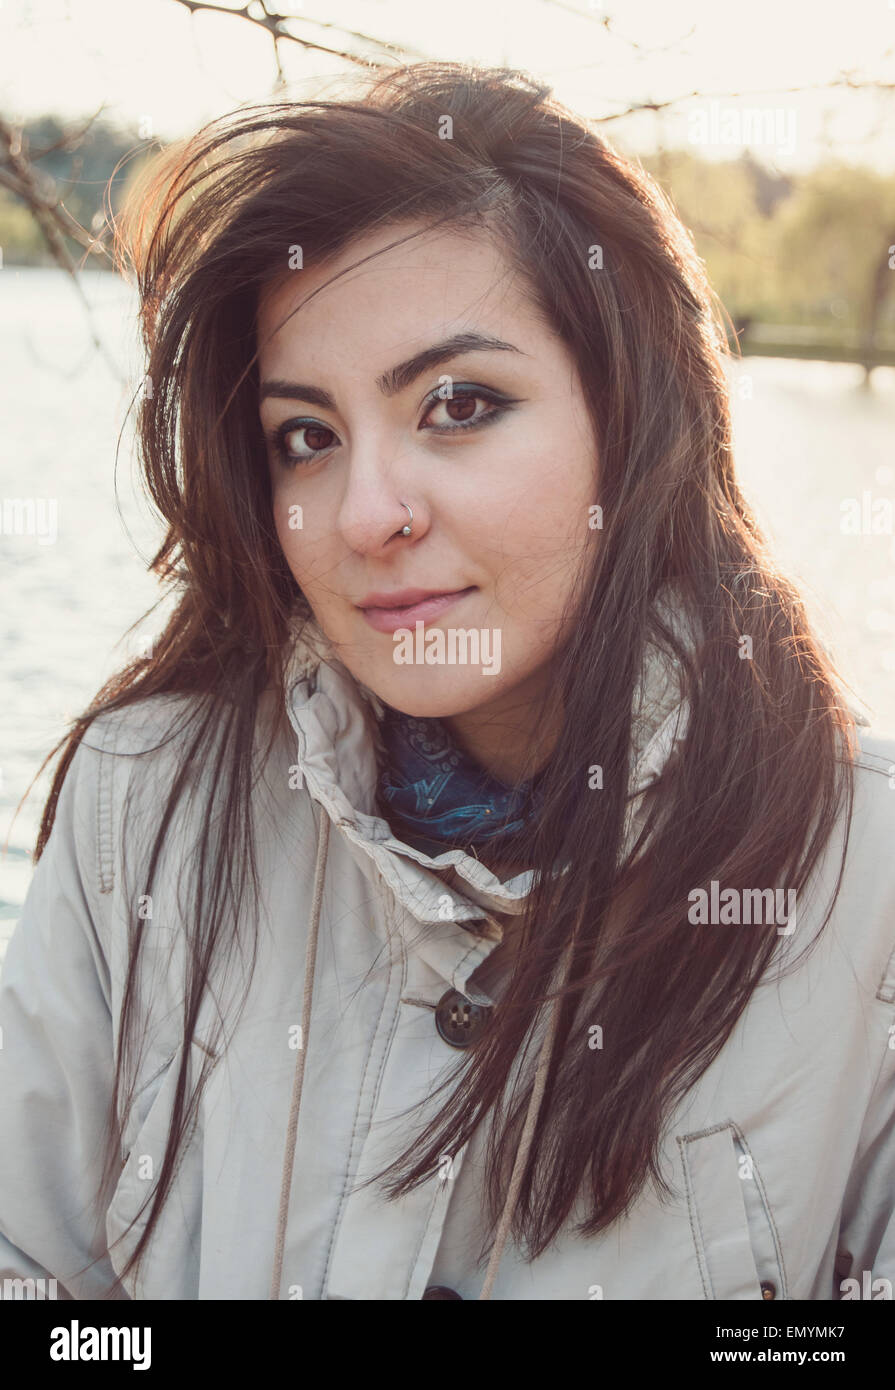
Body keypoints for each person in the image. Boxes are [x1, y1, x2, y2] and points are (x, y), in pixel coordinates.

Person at [1, 61, 894, 1302]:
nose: (365, 512)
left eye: (459, 403)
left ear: (629, 419)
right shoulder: (141, 805)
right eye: (304, 436)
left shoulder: (868, 873)